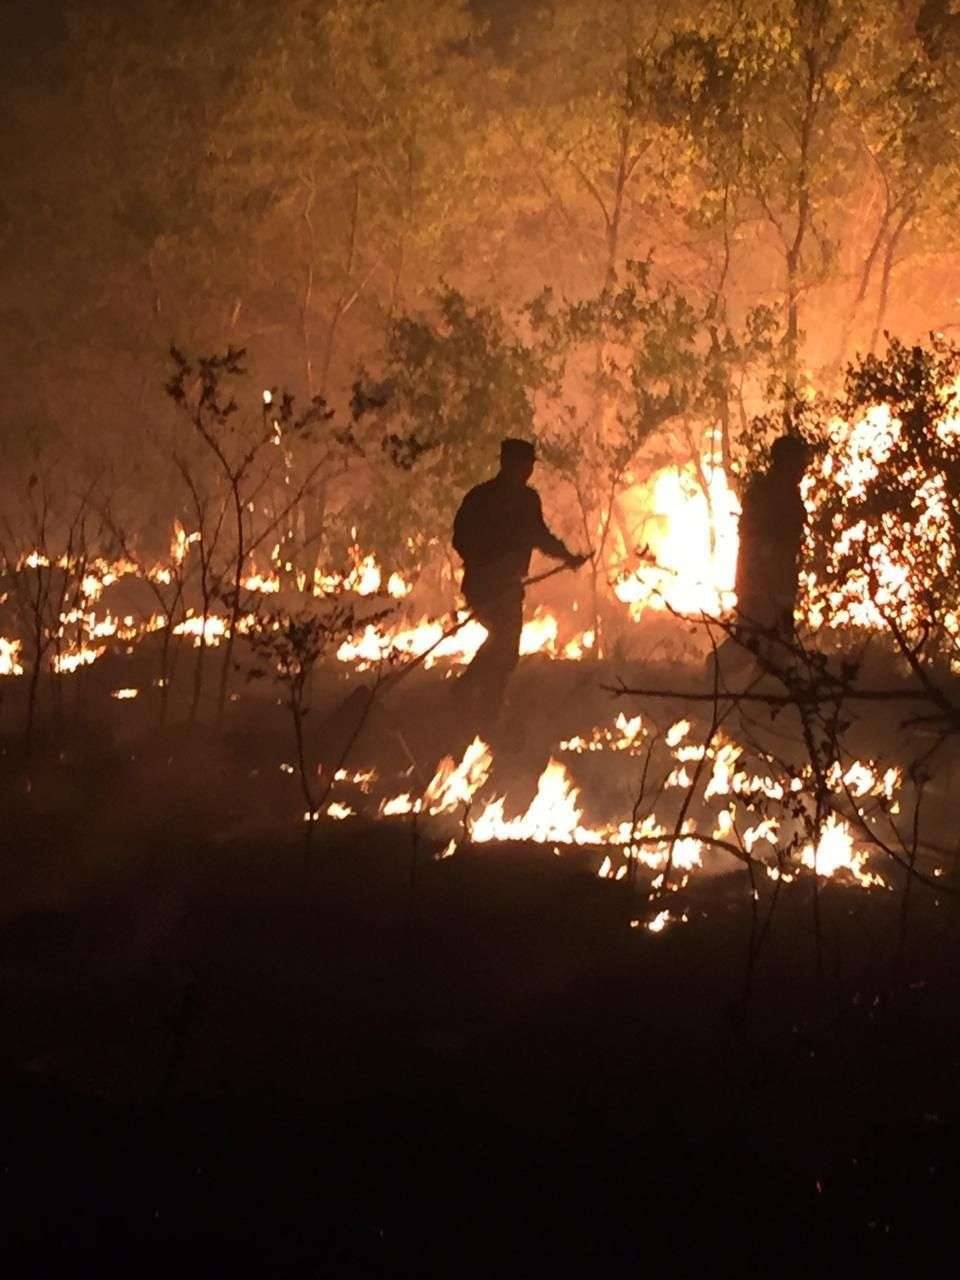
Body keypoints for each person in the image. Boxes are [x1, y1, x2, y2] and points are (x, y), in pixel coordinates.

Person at [452, 438, 587, 719]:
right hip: (484, 583)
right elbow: (461, 539)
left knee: (505, 642)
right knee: (504, 639)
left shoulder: (526, 500)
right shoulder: (482, 498)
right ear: (508, 463)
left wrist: (567, 557)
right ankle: (477, 696)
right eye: (524, 465)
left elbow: (539, 536)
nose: (527, 471)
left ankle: (480, 694)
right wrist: (488, 562)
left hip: (507, 584)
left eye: (529, 466)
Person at [733, 433, 811, 660]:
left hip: (780, 583)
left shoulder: (788, 494)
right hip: (760, 585)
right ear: (785, 461)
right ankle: (721, 678)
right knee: (752, 645)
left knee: (779, 648)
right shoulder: (765, 494)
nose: (803, 468)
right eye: (798, 461)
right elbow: (752, 536)